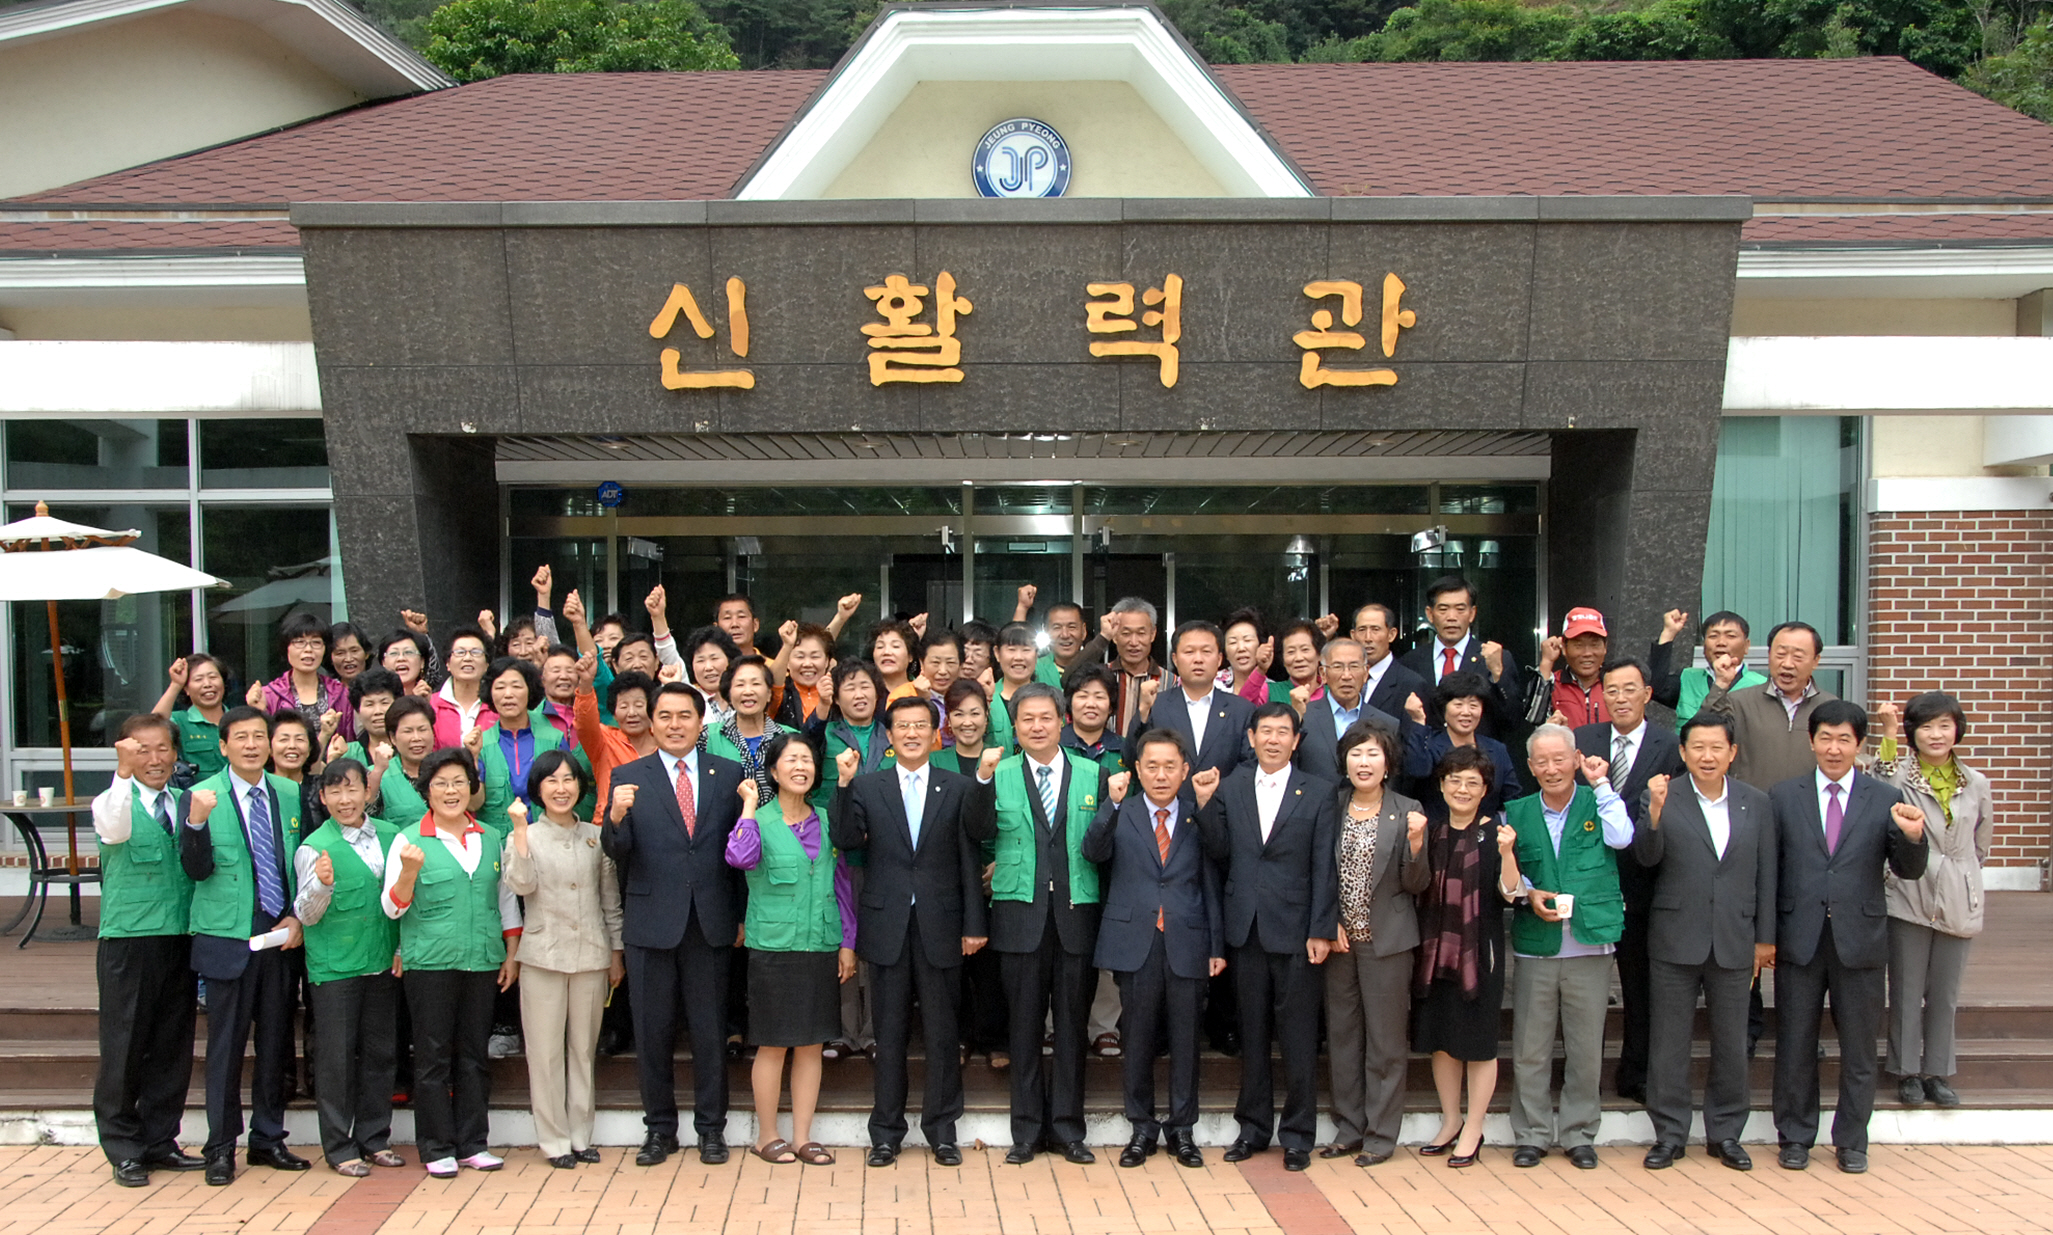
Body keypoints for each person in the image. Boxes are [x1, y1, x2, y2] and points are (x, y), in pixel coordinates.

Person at [830, 694, 997, 1167]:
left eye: (920, 725)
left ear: (935, 732)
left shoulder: (958, 786)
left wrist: (973, 923)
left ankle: (942, 1131)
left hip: (942, 925)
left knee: (944, 1033)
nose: (910, 733)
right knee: (890, 1033)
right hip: (886, 926)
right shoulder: (867, 786)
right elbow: (845, 841)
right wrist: (842, 785)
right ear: (890, 734)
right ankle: (886, 1132)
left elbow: (972, 853)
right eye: (901, 726)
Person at [1770, 700, 1930, 1174]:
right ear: (1812, 741)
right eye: (1825, 738)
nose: (1834, 748)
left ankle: (1852, 1140)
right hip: (1798, 936)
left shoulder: (1883, 797)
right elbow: (1770, 870)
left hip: (1860, 939)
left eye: (1844, 739)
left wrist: (1914, 837)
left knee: (1859, 1048)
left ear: (1859, 744)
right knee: (1795, 1044)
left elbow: (1908, 869)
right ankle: (1795, 1137)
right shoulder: (1783, 796)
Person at [604, 681, 747, 1166]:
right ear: (651, 720)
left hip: (710, 921)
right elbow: (616, 852)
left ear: (699, 720)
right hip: (650, 923)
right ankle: (659, 1130)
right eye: (664, 716)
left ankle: (712, 1130)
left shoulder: (727, 774)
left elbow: (739, 852)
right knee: (653, 1033)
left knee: (709, 1033)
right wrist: (616, 817)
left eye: (684, 716)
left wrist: (742, 915)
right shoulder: (628, 775)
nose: (674, 725)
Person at [1195, 702, 1338, 1172]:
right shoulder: (1230, 787)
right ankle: (1252, 1128)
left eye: (1283, 732)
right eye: (1265, 731)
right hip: (1246, 928)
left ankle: (1298, 1136)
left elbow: (1324, 865)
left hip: (1298, 931)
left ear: (1297, 741)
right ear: (1251, 738)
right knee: (1251, 1035)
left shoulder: (1319, 792)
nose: (1274, 739)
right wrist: (1202, 804)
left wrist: (1321, 927)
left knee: (1298, 1038)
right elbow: (1217, 853)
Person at [1631, 713, 1775, 1172]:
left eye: (1717, 747)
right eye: (1698, 747)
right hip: (1675, 937)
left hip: (1735, 937)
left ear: (1732, 752)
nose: (1707, 756)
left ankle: (1726, 1133)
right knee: (1669, 1042)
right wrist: (1652, 815)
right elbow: (1645, 859)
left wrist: (1765, 939)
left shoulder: (1756, 802)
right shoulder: (1661, 795)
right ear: (1683, 752)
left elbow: (1767, 875)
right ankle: (1669, 1134)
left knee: (1732, 1042)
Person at [178, 706, 310, 1185]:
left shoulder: (291, 792)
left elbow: (304, 861)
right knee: (226, 1047)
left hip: (279, 934)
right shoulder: (200, 795)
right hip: (227, 936)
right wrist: (195, 825)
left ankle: (268, 1138)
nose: (253, 745)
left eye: (260, 736)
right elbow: (193, 870)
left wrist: (298, 912)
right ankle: (219, 1147)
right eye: (242, 738)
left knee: (276, 1042)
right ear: (223, 746)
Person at [380, 748, 522, 1177]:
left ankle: (473, 1142)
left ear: (472, 787)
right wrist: (407, 873)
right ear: (426, 791)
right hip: (430, 964)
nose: (451, 791)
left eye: (459, 781)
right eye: (440, 783)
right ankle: (436, 1146)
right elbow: (391, 908)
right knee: (432, 1057)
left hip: (482, 960)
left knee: (474, 1055)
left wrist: (511, 955)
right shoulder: (407, 839)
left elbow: (506, 902)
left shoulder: (491, 837)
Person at [1085, 728, 1219, 1171]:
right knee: (1137, 1039)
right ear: (1137, 769)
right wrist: (1112, 803)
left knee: (1186, 1041)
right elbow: (1093, 851)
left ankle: (1183, 1128)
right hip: (1135, 940)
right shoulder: (1123, 810)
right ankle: (1141, 1127)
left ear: (1185, 770)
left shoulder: (1196, 813)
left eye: (1170, 766)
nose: (1161, 775)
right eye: (1152, 766)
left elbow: (1216, 872)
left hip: (1188, 937)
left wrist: (1216, 945)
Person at [988, 683, 1111, 1165]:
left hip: (1076, 917)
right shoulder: (996, 775)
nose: (1037, 726)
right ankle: (1026, 1131)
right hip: (1020, 917)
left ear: (1062, 720)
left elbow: (1103, 848)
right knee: (1023, 1028)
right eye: (1027, 719)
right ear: (1015, 727)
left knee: (1071, 1029)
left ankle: (1068, 1129)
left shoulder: (1094, 774)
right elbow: (979, 838)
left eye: (1045, 717)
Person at [1504, 723, 1634, 1170]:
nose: (1551, 768)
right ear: (1530, 766)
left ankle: (1579, 1133)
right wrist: (1527, 892)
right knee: (1530, 1048)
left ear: (1576, 759)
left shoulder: (1599, 801)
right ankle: (1532, 1134)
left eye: (1560, 759)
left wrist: (1601, 784)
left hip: (1590, 945)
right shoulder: (1515, 812)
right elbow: (1507, 875)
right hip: (1536, 947)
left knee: (1584, 1048)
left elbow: (1622, 838)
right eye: (1541, 761)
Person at [727, 734, 857, 1166]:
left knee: (811, 1044)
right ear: (775, 770)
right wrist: (747, 807)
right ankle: (766, 1136)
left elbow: (841, 888)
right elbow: (739, 859)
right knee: (773, 1044)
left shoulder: (826, 817)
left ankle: (803, 1136)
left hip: (819, 943)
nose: (800, 766)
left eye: (807, 759)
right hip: (774, 949)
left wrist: (847, 942)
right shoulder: (758, 821)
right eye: (791, 760)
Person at [91, 714, 204, 1188]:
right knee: (124, 1045)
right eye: (143, 750)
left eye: (163, 749)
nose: (155, 760)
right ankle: (123, 1147)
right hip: (129, 940)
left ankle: (161, 1140)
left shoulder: (186, 802)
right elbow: (115, 831)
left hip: (179, 936)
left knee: (171, 1045)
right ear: (126, 753)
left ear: (176, 754)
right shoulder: (111, 800)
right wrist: (120, 775)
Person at [503, 751, 622, 1169]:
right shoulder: (526, 835)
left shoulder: (594, 836)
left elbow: (610, 902)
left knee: (582, 1052)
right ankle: (553, 1140)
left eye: (568, 779)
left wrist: (616, 952)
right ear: (538, 789)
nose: (561, 788)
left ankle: (579, 1135)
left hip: (591, 954)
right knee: (545, 1053)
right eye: (551, 781)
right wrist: (519, 832)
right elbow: (521, 883)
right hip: (542, 956)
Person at [1573, 656, 1684, 1108]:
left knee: (1640, 987)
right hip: (1589, 881)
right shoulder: (1582, 740)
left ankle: (1635, 1072)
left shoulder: (1671, 746)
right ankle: (1581, 1079)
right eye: (1611, 690)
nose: (1619, 698)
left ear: (1647, 694)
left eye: (1628, 689)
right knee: (1583, 991)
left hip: (1644, 882)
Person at [1875, 693, 1993, 1109]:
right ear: (1913, 733)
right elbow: (1879, 786)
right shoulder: (1902, 774)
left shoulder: (1976, 782)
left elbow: (1981, 844)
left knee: (1944, 990)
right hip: (1909, 888)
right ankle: (1906, 1071)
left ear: (1957, 729)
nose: (1936, 734)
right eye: (1926, 726)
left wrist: (1960, 876)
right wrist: (1888, 735)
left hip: (1959, 893)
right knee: (1906, 986)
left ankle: (1937, 1071)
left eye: (1944, 725)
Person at [1320, 721, 1430, 1168]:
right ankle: (1348, 1128)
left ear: (1388, 763)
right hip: (1339, 942)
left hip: (1387, 941)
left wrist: (1417, 844)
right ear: (1344, 761)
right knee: (1343, 1038)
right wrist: (1328, 922)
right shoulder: (1332, 805)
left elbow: (1416, 883)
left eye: (1373, 754)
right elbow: (1317, 870)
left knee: (1385, 1043)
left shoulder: (1408, 809)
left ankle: (1381, 1135)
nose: (1364, 762)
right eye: (1356, 754)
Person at [1410, 746, 1521, 1168]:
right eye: (1454, 780)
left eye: (1472, 782)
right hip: (1435, 950)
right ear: (1441, 785)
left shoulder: (1497, 834)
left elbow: (1511, 893)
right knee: (1441, 1040)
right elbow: (1415, 883)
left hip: (1480, 953)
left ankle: (1474, 1126)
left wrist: (1509, 853)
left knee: (1478, 1043)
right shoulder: (1432, 831)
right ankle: (1451, 1119)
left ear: (1485, 790)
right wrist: (1415, 844)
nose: (1462, 788)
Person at [293, 758, 405, 1177]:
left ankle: (375, 1138)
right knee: (336, 1059)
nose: (345, 799)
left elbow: (404, 899)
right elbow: (304, 914)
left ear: (367, 793)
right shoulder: (313, 846)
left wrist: (402, 949)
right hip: (335, 967)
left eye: (353, 789)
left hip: (382, 961)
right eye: (335, 791)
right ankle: (340, 1147)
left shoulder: (393, 837)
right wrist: (322, 884)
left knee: (380, 1053)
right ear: (322, 798)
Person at [1705, 620, 1836, 791]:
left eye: (1798, 657)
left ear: (1815, 660)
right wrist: (1721, 684)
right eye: (1780, 654)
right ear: (1769, 655)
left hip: (1808, 812)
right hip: (1752, 808)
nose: (1787, 664)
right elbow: (1703, 733)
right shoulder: (1738, 702)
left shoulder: (1830, 708)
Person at [1398, 575, 1522, 739]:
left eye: (1460, 609)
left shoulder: (1495, 658)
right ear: (1430, 614)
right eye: (1443, 609)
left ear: (1472, 613)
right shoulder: (1410, 661)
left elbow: (1512, 721)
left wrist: (1498, 674)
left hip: (1478, 759)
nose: (1451, 617)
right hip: (1427, 758)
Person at [1128, 620, 1254, 777]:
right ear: (1175, 659)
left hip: (1223, 799)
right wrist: (1143, 714)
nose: (1198, 659)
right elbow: (1131, 759)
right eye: (1189, 652)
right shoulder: (1156, 705)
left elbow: (1250, 764)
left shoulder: (1241, 710)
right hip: (1170, 800)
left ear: (1219, 659)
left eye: (1206, 652)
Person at [1404, 672, 1523, 817]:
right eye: (1458, 704)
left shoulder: (1497, 749)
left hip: (1486, 833)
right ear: (1444, 708)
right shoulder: (1428, 743)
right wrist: (1418, 721)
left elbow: (1512, 799)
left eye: (1473, 705)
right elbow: (1417, 770)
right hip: (1437, 833)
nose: (1466, 712)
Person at [475, 656, 567, 837]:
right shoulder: (480, 744)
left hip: (549, 839)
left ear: (529, 690)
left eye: (516, 686)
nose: (508, 694)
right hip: (499, 844)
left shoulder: (554, 739)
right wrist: (471, 757)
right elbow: (472, 804)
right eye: (500, 687)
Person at [1296, 637, 1402, 784]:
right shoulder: (1303, 718)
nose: (1346, 676)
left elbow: (1391, 782)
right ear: (1323, 674)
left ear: (1366, 673)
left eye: (1354, 666)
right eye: (1338, 667)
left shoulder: (1387, 724)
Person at [705, 656, 801, 801]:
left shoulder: (791, 738)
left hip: (778, 822)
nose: (748, 691)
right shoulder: (707, 737)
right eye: (740, 685)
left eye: (756, 684)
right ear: (729, 695)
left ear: (769, 694)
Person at [573, 658, 658, 814]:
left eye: (639, 705)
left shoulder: (666, 744)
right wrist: (585, 684)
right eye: (624, 706)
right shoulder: (603, 741)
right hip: (610, 829)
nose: (632, 713)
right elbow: (584, 722)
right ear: (614, 713)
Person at [1650, 610, 1766, 721]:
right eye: (1713, 636)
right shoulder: (1687, 679)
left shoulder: (1762, 686)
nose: (1721, 643)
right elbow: (1654, 688)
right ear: (1704, 645)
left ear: (1746, 646)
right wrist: (1668, 634)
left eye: (1730, 636)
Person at [258, 611, 351, 737]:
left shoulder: (342, 693)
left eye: (316, 642)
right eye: (299, 642)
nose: (308, 649)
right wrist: (257, 710)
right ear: (286, 648)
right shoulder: (269, 695)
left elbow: (350, 741)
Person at [1524, 607, 1611, 729]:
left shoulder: (1616, 683)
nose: (1587, 653)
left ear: (1605, 647)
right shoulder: (1553, 683)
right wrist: (1547, 662)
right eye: (1578, 645)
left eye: (1594, 645)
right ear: (1564, 647)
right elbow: (1533, 717)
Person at [153, 653, 232, 781]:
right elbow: (153, 727)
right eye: (198, 679)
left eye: (213, 677)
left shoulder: (238, 720)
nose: (207, 684)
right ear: (187, 690)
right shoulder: (180, 721)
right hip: (196, 798)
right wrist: (175, 685)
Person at [1350, 604, 1430, 721]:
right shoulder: (1344, 677)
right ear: (1353, 635)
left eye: (1375, 630)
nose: (1368, 638)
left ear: (1391, 635)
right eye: (1362, 630)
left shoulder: (1411, 684)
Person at [1105, 596, 1170, 736]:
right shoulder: (1100, 676)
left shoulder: (1172, 682)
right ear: (1114, 636)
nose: (1134, 642)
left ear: (1153, 634)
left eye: (1141, 633)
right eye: (1126, 633)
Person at [374, 696, 437, 826]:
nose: (416, 738)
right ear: (393, 738)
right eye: (408, 731)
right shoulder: (378, 776)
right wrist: (377, 772)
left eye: (422, 729)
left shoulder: (449, 768)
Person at [430, 626, 493, 749]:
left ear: (487, 664)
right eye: (460, 652)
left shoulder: (497, 705)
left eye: (476, 652)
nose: (468, 658)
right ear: (447, 663)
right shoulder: (432, 705)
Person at [1059, 663, 1128, 775]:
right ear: (1070, 703)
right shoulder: (1053, 746)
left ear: (1110, 706)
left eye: (1099, 697)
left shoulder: (1125, 749)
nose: (1091, 704)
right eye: (1083, 696)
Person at [986, 622, 1040, 753]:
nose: (1019, 657)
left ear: (1037, 654)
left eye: (1026, 650)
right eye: (1011, 650)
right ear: (997, 653)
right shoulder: (985, 698)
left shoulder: (1049, 699)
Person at [1219, 608, 1288, 706]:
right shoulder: (1211, 684)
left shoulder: (1273, 689)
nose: (1241, 648)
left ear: (1261, 644)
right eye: (1233, 642)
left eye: (1247, 640)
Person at [378, 629, 436, 698]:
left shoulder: (434, 701)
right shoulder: (374, 700)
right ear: (383, 662)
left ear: (422, 662)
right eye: (393, 653)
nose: (401, 658)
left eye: (409, 652)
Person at [715, 593, 761, 659]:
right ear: (716, 628)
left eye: (741, 616)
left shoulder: (772, 667)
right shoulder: (710, 668)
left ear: (755, 625)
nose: (734, 624)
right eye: (727, 618)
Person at [328, 622, 372, 690]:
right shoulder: (324, 693)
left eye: (354, 651)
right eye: (340, 653)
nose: (348, 659)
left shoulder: (382, 689)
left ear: (366, 653)